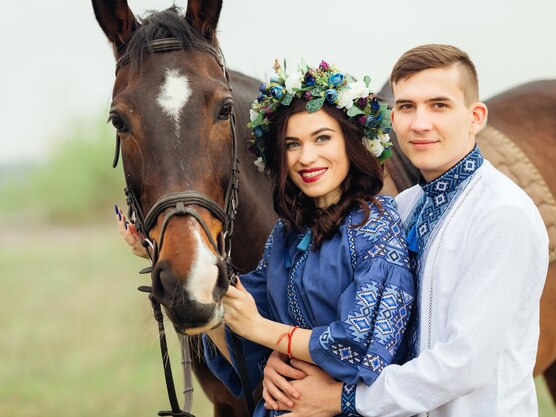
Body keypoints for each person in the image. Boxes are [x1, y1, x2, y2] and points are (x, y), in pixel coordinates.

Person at [262, 44, 550, 417]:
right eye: (407, 106)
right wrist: (280, 356)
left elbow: (466, 362)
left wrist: (345, 400)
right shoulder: (402, 206)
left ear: (476, 116)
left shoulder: (501, 213)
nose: (420, 123)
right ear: (393, 117)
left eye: (439, 105)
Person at [117, 59, 416, 417]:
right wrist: (172, 266)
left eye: (322, 138)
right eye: (292, 144)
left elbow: (364, 348)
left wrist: (266, 332)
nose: (307, 157)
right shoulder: (285, 237)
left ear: (351, 144)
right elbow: (243, 351)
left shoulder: (378, 225)